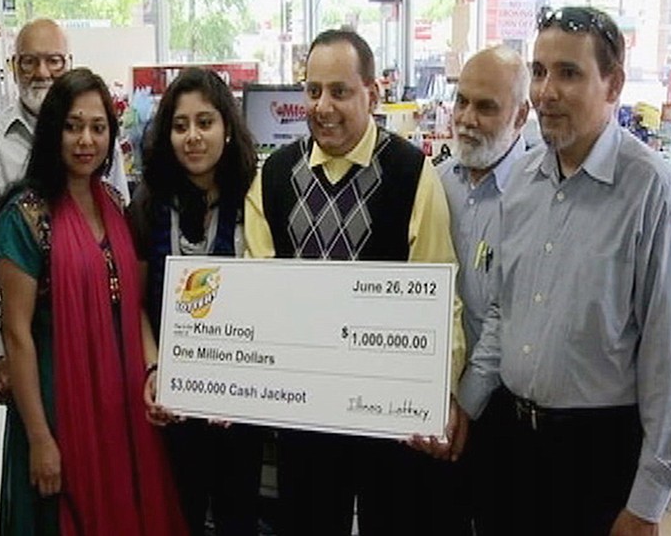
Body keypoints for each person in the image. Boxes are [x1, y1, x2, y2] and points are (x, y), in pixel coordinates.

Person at [457, 6, 671, 536]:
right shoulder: (521, 181)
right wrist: (467, 404)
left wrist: (648, 501)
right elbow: (506, 309)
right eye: (540, 71)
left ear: (612, 83)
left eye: (568, 73)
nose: (546, 92)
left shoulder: (652, 194)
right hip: (511, 442)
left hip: (597, 455)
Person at [245, 28, 467, 536]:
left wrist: (440, 393)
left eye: (340, 91)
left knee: (393, 518)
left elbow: (440, 296)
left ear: (372, 92)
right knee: (308, 520)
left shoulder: (414, 173)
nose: (323, 106)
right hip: (307, 411)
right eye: (313, 90)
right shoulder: (274, 176)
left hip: (388, 409)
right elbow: (260, 297)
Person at [0, 67, 186, 535]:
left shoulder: (117, 207)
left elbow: (133, 306)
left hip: (118, 405)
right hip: (56, 404)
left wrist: (154, 369)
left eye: (98, 128)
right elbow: (16, 334)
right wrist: (40, 438)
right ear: (53, 130)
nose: (86, 140)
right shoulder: (25, 216)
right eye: (73, 126)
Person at [0, 18, 129, 405]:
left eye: (54, 61)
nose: (42, 72)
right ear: (12, 66)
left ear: (68, 63)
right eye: (29, 62)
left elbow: (118, 226)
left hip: (102, 331)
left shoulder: (97, 137)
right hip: (36, 336)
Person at [128, 67, 262, 536]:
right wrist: (154, 370)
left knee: (238, 514)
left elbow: (270, 303)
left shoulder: (256, 200)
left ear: (227, 127)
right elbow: (138, 305)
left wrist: (239, 381)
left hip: (239, 401)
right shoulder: (146, 206)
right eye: (180, 125)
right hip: (174, 398)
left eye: (205, 122)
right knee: (178, 513)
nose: (193, 137)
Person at [435, 45, 529, 536]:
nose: (466, 119)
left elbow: (506, 311)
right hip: (438, 399)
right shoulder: (435, 183)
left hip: (500, 408)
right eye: (461, 101)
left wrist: (465, 402)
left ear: (522, 114)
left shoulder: (535, 195)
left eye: (486, 106)